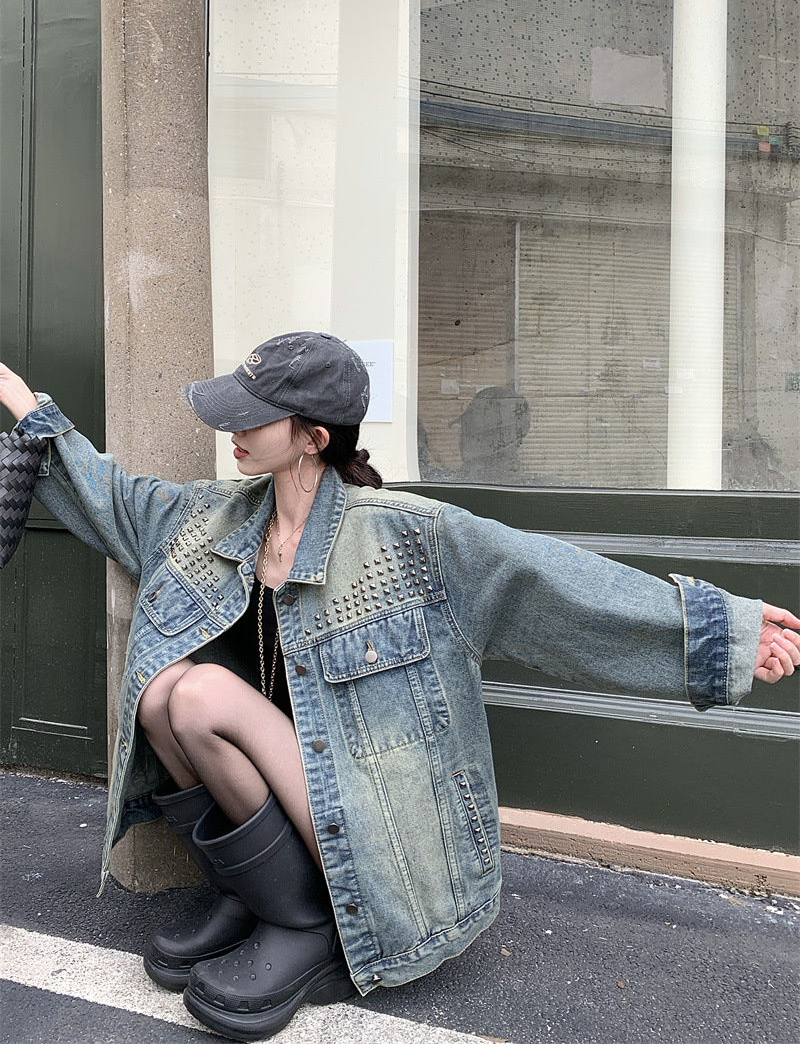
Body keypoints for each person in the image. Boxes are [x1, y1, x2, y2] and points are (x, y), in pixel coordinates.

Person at [1, 333, 798, 1043]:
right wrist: (23, 404)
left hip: (370, 817)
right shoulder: (217, 516)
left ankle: (309, 923)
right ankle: (260, 893)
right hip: (293, 789)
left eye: (253, 417)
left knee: (198, 694)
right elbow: (111, 497)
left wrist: (720, 632)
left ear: (312, 439)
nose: (231, 430)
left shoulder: (407, 536)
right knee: (163, 692)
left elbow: (558, 586)